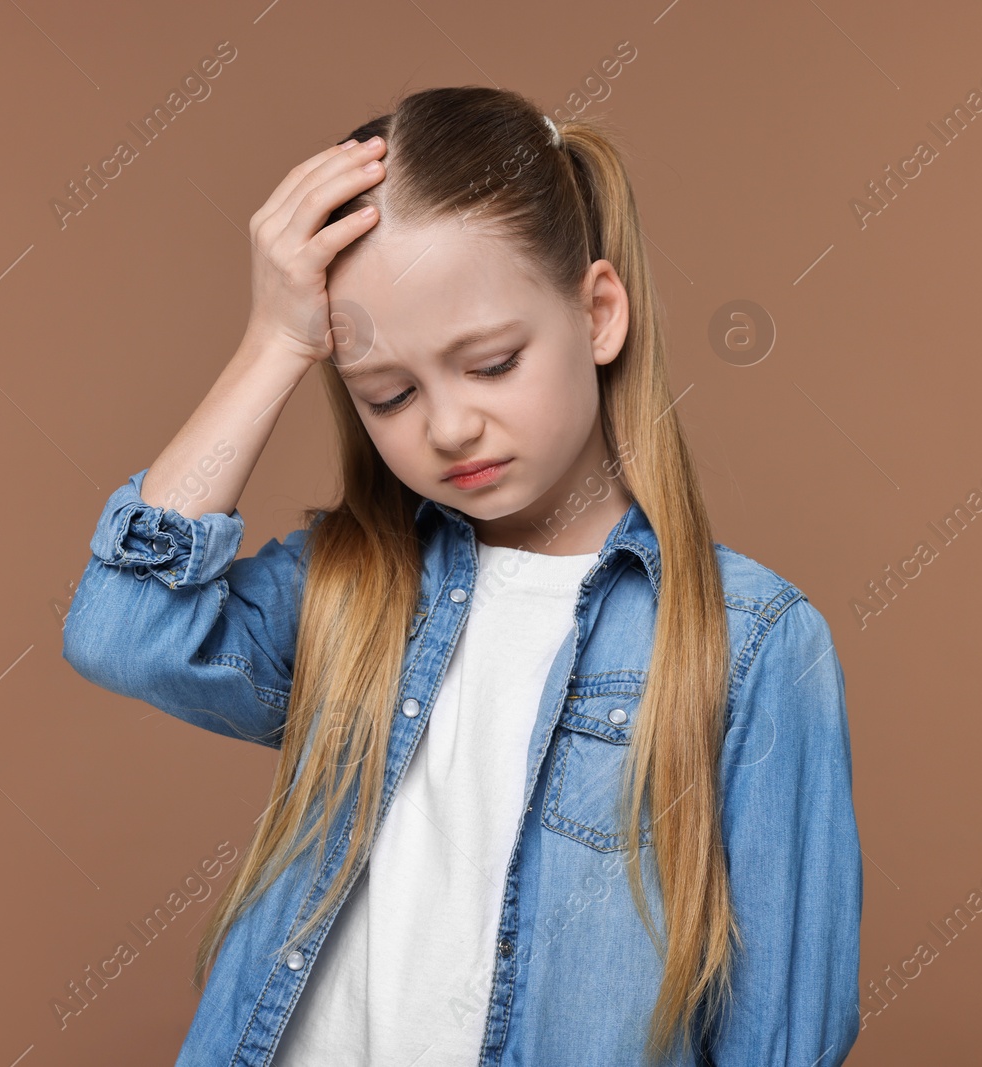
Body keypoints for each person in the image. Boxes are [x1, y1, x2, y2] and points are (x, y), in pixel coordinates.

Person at [61, 85, 861, 1067]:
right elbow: (123, 624)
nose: (446, 426)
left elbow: (782, 1034)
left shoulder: (752, 644)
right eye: (388, 392)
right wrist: (274, 342)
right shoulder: (350, 591)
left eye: (490, 363)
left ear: (599, 313)